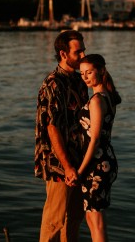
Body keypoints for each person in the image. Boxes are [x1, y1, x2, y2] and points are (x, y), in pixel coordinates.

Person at [35, 30, 88, 242]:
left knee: (74, 219)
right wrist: (67, 166)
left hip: (78, 160)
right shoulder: (53, 84)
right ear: (63, 54)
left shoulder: (79, 81)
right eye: (78, 52)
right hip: (58, 162)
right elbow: (51, 128)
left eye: (83, 50)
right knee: (54, 221)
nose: (83, 56)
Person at [77, 54, 121, 242]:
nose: (85, 77)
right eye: (82, 73)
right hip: (105, 160)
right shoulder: (108, 97)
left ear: (101, 71)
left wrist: (80, 171)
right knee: (93, 218)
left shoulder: (96, 100)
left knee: (96, 221)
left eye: (89, 72)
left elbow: (94, 140)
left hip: (96, 163)